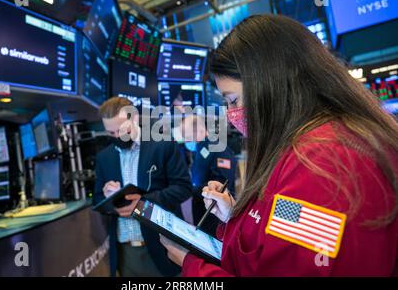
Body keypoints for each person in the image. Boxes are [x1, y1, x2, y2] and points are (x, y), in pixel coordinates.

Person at [160, 15, 398, 276]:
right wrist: (236, 217)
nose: (231, 113)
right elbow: (287, 223)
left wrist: (194, 268)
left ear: (272, 83)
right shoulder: (309, 148)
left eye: (234, 100)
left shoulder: (321, 165)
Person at [94, 97, 192, 277]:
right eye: (111, 132)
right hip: (126, 252)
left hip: (162, 245)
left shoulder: (162, 144)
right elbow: (97, 199)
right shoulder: (104, 157)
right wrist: (109, 197)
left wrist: (143, 202)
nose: (117, 136)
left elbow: (183, 187)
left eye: (122, 130)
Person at [180, 115, 236, 235]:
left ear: (200, 130)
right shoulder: (199, 149)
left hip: (216, 213)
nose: (185, 140)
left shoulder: (219, 149)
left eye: (187, 135)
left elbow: (223, 183)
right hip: (201, 208)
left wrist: (191, 191)